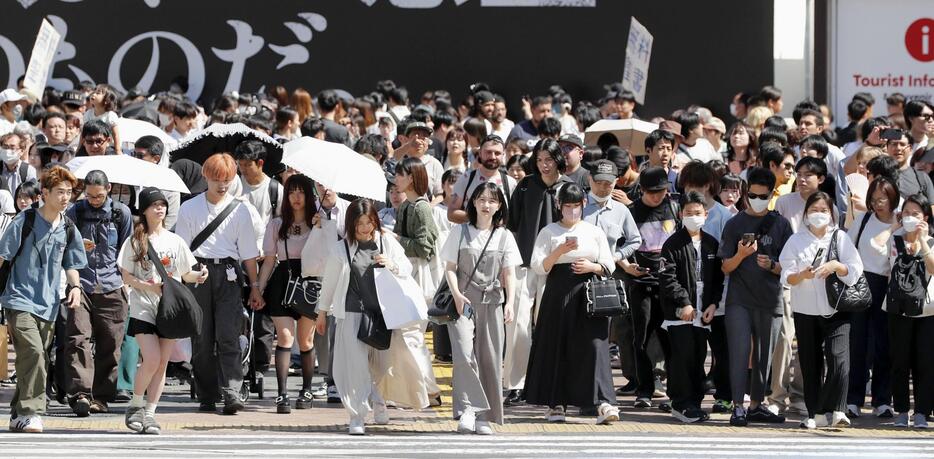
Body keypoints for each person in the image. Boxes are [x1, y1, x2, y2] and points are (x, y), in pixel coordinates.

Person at [317, 199, 417, 435]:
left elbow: (406, 268)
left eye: (369, 222)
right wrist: (322, 313)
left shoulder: (386, 242)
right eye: (359, 223)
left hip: (383, 314)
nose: (364, 227)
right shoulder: (340, 249)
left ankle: (379, 398)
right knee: (356, 367)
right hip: (351, 313)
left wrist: (391, 264)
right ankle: (357, 415)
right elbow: (329, 284)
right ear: (351, 224)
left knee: (382, 366)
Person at [174, 153, 262, 415]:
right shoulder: (189, 208)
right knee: (202, 338)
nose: (222, 184)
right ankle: (206, 393)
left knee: (229, 335)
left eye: (227, 179)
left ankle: (232, 392)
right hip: (198, 271)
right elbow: (182, 249)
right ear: (205, 177)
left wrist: (255, 286)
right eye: (216, 179)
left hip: (229, 273)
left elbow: (248, 254)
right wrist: (187, 276)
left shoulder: (240, 209)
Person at [525, 183, 620, 425]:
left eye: (576, 206)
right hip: (558, 293)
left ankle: (604, 402)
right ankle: (557, 403)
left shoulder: (593, 231)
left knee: (596, 346)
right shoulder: (549, 231)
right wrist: (559, 251)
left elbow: (609, 264)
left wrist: (592, 267)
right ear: (559, 206)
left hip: (589, 294)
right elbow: (539, 266)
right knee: (558, 345)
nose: (572, 212)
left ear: (583, 205)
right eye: (567, 207)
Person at [1, 166, 87, 433]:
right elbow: (2, 257)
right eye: (59, 192)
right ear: (44, 193)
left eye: (69, 193)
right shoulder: (23, 221)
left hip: (49, 303)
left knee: (33, 358)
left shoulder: (68, 227)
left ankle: (17, 413)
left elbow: (72, 264)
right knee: (35, 353)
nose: (65, 197)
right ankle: (32, 411)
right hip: (19, 299)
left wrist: (75, 287)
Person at [118, 187, 208, 434]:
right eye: (154, 205)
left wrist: (198, 276)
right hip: (143, 306)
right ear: (144, 210)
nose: (160, 209)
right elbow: (126, 276)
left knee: (161, 364)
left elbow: (185, 273)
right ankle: (135, 405)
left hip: (169, 309)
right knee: (153, 358)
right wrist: (147, 286)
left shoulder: (175, 240)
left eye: (162, 205)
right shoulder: (135, 240)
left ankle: (150, 414)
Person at [441, 183, 520, 435]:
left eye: (492, 201)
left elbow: (510, 273)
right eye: (482, 199)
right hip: (463, 302)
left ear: (499, 206)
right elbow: (450, 268)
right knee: (464, 355)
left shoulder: (505, 236)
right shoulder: (460, 232)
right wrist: (456, 294)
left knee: (490, 359)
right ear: (473, 202)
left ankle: (484, 416)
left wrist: (509, 303)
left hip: (493, 302)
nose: (486, 205)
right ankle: (467, 409)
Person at [780, 191, 862, 429]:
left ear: (832, 214)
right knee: (810, 363)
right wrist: (801, 275)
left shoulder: (840, 238)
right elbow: (786, 277)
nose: (819, 215)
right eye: (814, 210)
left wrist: (837, 266)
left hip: (837, 307)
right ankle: (814, 413)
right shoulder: (796, 240)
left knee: (839, 361)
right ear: (806, 214)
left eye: (823, 210)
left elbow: (856, 269)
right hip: (805, 310)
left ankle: (836, 408)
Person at [719, 167, 793, 426]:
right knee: (739, 352)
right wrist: (740, 255)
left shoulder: (782, 224)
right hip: (739, 299)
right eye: (752, 194)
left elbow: (791, 265)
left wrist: (771, 265)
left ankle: (756, 404)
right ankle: (737, 406)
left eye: (763, 196)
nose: (756, 199)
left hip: (770, 298)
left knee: (765, 355)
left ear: (772, 194)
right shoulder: (735, 223)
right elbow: (725, 267)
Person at [505, 138, 572, 405]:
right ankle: (515, 383)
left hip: (558, 267)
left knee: (552, 327)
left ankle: (552, 381)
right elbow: (512, 226)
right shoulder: (524, 186)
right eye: (540, 160)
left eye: (550, 159)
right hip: (523, 265)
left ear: (559, 160)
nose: (544, 165)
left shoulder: (569, 188)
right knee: (519, 326)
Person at [63, 170, 133, 416]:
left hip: (112, 285)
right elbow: (64, 245)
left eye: (99, 196)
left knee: (110, 344)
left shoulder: (120, 213)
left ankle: (101, 397)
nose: (94, 200)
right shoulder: (75, 212)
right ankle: (81, 393)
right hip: (80, 284)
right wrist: (78, 246)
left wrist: (127, 284)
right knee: (78, 338)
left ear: (109, 189)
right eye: (90, 195)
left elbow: (127, 251)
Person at [257, 174, 320, 414]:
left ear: (309, 195)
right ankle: (282, 395)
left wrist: (321, 228)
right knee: (284, 338)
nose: (296, 197)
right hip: (282, 282)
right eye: (291, 191)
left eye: (301, 191)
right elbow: (269, 260)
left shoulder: (319, 222)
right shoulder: (276, 224)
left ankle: (306, 390)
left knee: (305, 340)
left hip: (310, 284)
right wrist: (258, 289)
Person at [659, 191, 723, 423]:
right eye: (688, 213)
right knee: (681, 357)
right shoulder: (672, 244)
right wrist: (684, 302)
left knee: (698, 357)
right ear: (681, 214)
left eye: (697, 213)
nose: (693, 217)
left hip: (703, 312)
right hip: (679, 313)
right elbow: (668, 278)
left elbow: (718, 279)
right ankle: (680, 403)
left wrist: (714, 304)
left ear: (706, 214)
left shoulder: (711, 244)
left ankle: (694, 403)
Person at [871, 193, 934, 428]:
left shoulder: (932, 241)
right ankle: (901, 410)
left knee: (925, 362)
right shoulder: (894, 239)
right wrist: (895, 226)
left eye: (915, 214)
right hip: (897, 309)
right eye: (906, 213)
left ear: (925, 217)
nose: (910, 217)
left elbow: (933, 268)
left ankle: (922, 412)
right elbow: (874, 246)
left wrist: (923, 240)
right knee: (899, 360)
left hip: (927, 311)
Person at [624, 166, 680, 409]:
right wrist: (627, 267)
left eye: (662, 191)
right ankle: (644, 388)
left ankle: (676, 389)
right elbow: (619, 245)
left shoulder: (674, 207)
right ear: (642, 190)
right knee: (642, 338)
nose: (657, 196)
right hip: (641, 283)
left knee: (672, 338)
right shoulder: (631, 211)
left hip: (669, 283)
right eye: (652, 192)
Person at [844, 177, 897, 419]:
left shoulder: (901, 221)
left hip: (890, 286)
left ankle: (882, 399)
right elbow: (847, 248)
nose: (878, 205)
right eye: (874, 200)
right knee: (858, 343)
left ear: (892, 198)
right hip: (861, 283)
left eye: (882, 199)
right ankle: (853, 399)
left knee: (884, 344)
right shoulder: (864, 220)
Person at [448, 135, 516, 225]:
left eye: (497, 153)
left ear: (503, 155)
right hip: (469, 236)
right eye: (488, 152)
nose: (493, 157)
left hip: (499, 236)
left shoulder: (510, 183)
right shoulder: (466, 179)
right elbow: (451, 213)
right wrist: (479, 218)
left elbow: (515, 216)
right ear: (480, 153)